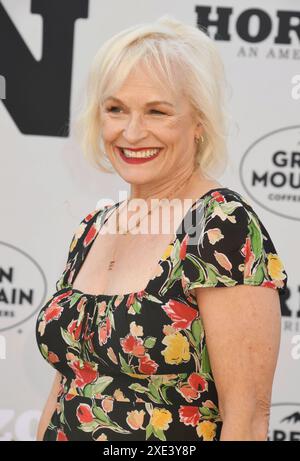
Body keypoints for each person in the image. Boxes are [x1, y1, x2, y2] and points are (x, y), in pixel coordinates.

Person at [35, 15, 288, 441]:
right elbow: (67, 383)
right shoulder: (94, 228)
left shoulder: (218, 227)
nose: (132, 132)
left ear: (198, 122)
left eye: (157, 111)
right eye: (116, 109)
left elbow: (247, 420)